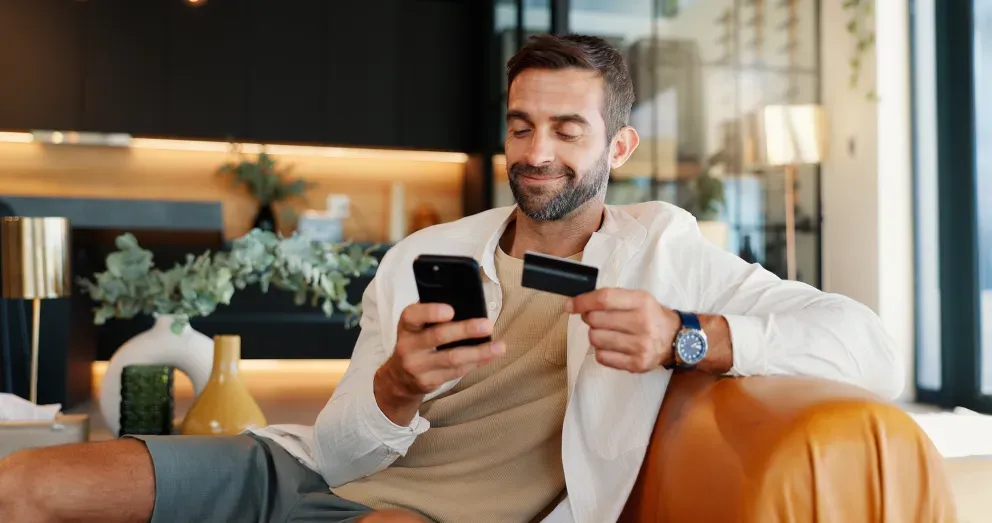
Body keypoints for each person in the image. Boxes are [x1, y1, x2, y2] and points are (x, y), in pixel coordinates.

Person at [0, 34, 903, 523]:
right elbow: (343, 451)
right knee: (23, 485)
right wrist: (395, 386)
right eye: (521, 126)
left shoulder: (664, 248)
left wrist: (687, 335)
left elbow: (869, 346)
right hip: (298, 468)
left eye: (568, 131)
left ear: (619, 146)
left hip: (425, 516)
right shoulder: (425, 255)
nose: (536, 152)